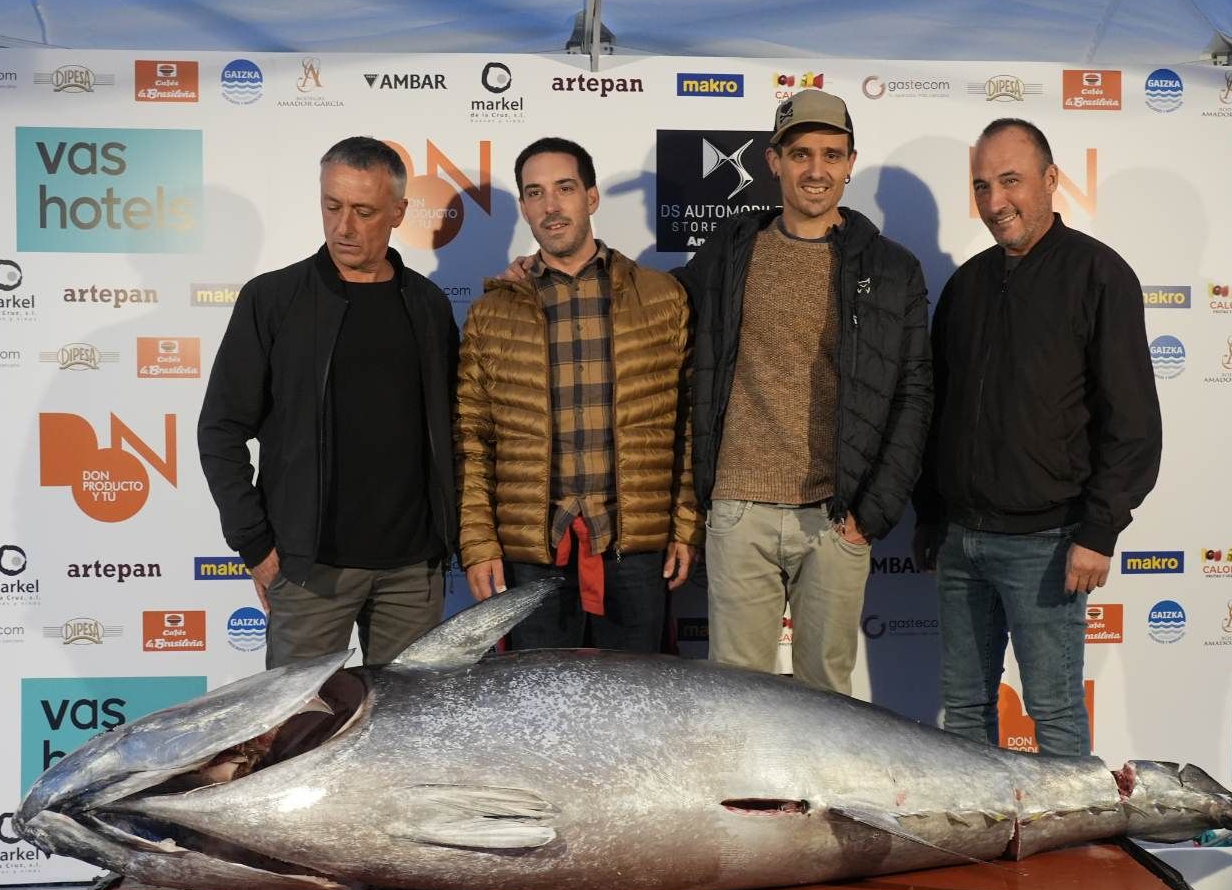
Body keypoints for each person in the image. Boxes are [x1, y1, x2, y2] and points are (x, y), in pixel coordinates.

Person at [914, 118, 1161, 756]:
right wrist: (930, 518)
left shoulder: (1099, 275)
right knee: (963, 713)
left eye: (1011, 181)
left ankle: (1072, 851)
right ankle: (980, 842)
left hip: (1049, 546)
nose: (996, 202)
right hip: (962, 542)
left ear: (1052, 180)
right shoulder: (966, 285)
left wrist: (1099, 531)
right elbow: (937, 412)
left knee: (1053, 713)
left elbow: (1132, 423)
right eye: (981, 186)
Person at [680, 89, 931, 695]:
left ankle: (817, 800)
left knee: (828, 701)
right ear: (773, 160)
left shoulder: (893, 269)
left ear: (849, 163)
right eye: (800, 154)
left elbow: (913, 393)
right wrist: (551, 268)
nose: (815, 170)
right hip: (739, 509)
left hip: (835, 515)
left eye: (831, 154)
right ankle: (749, 800)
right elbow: (653, 306)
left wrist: (870, 515)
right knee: (737, 701)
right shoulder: (730, 251)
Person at [198, 136, 460, 668]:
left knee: (405, 739)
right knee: (302, 733)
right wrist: (256, 544)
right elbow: (221, 429)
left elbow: (456, 427)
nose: (344, 227)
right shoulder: (272, 300)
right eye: (332, 206)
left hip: (414, 573)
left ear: (398, 213)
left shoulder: (428, 305)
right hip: (308, 571)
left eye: (363, 211)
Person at [458, 137, 699, 650]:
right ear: (523, 206)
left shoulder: (660, 297)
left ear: (590, 197)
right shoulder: (492, 314)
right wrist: (479, 545)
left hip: (634, 545)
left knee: (638, 710)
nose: (551, 205)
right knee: (538, 712)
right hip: (531, 549)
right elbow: (473, 440)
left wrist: (684, 526)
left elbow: (687, 424)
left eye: (564, 188)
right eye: (535, 193)